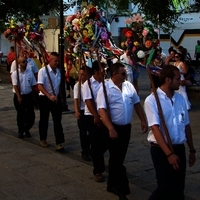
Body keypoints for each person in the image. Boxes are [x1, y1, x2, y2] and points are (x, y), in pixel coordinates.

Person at [96, 62, 148, 200]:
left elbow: (136, 103)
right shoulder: (105, 88)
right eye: (123, 73)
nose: (126, 75)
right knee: (117, 160)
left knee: (118, 158)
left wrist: (143, 120)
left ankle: (111, 184)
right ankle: (122, 190)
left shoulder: (128, 86)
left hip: (126, 127)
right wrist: (111, 128)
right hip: (112, 127)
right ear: (114, 74)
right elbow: (101, 110)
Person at [144, 65, 196, 200]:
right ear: (168, 80)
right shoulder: (152, 100)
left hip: (179, 148)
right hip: (162, 150)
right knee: (165, 188)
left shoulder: (180, 99)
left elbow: (186, 125)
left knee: (178, 188)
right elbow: (155, 129)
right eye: (178, 78)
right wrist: (169, 154)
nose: (180, 81)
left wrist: (191, 150)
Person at [82, 60, 108, 182]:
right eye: (102, 70)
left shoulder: (106, 83)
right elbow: (88, 101)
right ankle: (98, 170)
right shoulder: (88, 84)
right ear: (96, 71)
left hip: (104, 116)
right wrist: (96, 116)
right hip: (92, 116)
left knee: (105, 141)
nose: (105, 73)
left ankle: (94, 152)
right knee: (96, 142)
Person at [37, 52, 65, 151]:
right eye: (55, 61)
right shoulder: (43, 71)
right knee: (44, 119)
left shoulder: (59, 72)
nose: (57, 63)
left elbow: (59, 87)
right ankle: (43, 138)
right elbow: (40, 86)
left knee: (57, 121)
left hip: (55, 98)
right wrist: (49, 95)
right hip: (45, 97)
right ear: (50, 60)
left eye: (58, 61)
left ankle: (59, 142)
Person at [11, 57, 36, 139]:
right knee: (21, 114)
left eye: (25, 61)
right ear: (19, 64)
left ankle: (26, 128)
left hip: (28, 95)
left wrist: (33, 95)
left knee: (30, 115)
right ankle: (21, 130)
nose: (25, 63)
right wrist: (18, 96)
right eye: (23, 62)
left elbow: (33, 84)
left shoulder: (30, 73)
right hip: (19, 96)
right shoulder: (15, 74)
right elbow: (15, 85)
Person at [74, 67, 91, 161]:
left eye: (83, 74)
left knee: (92, 132)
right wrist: (76, 111)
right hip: (82, 109)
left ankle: (89, 146)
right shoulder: (78, 86)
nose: (80, 76)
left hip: (90, 111)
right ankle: (85, 151)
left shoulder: (90, 84)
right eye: (79, 74)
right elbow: (76, 99)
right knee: (83, 132)